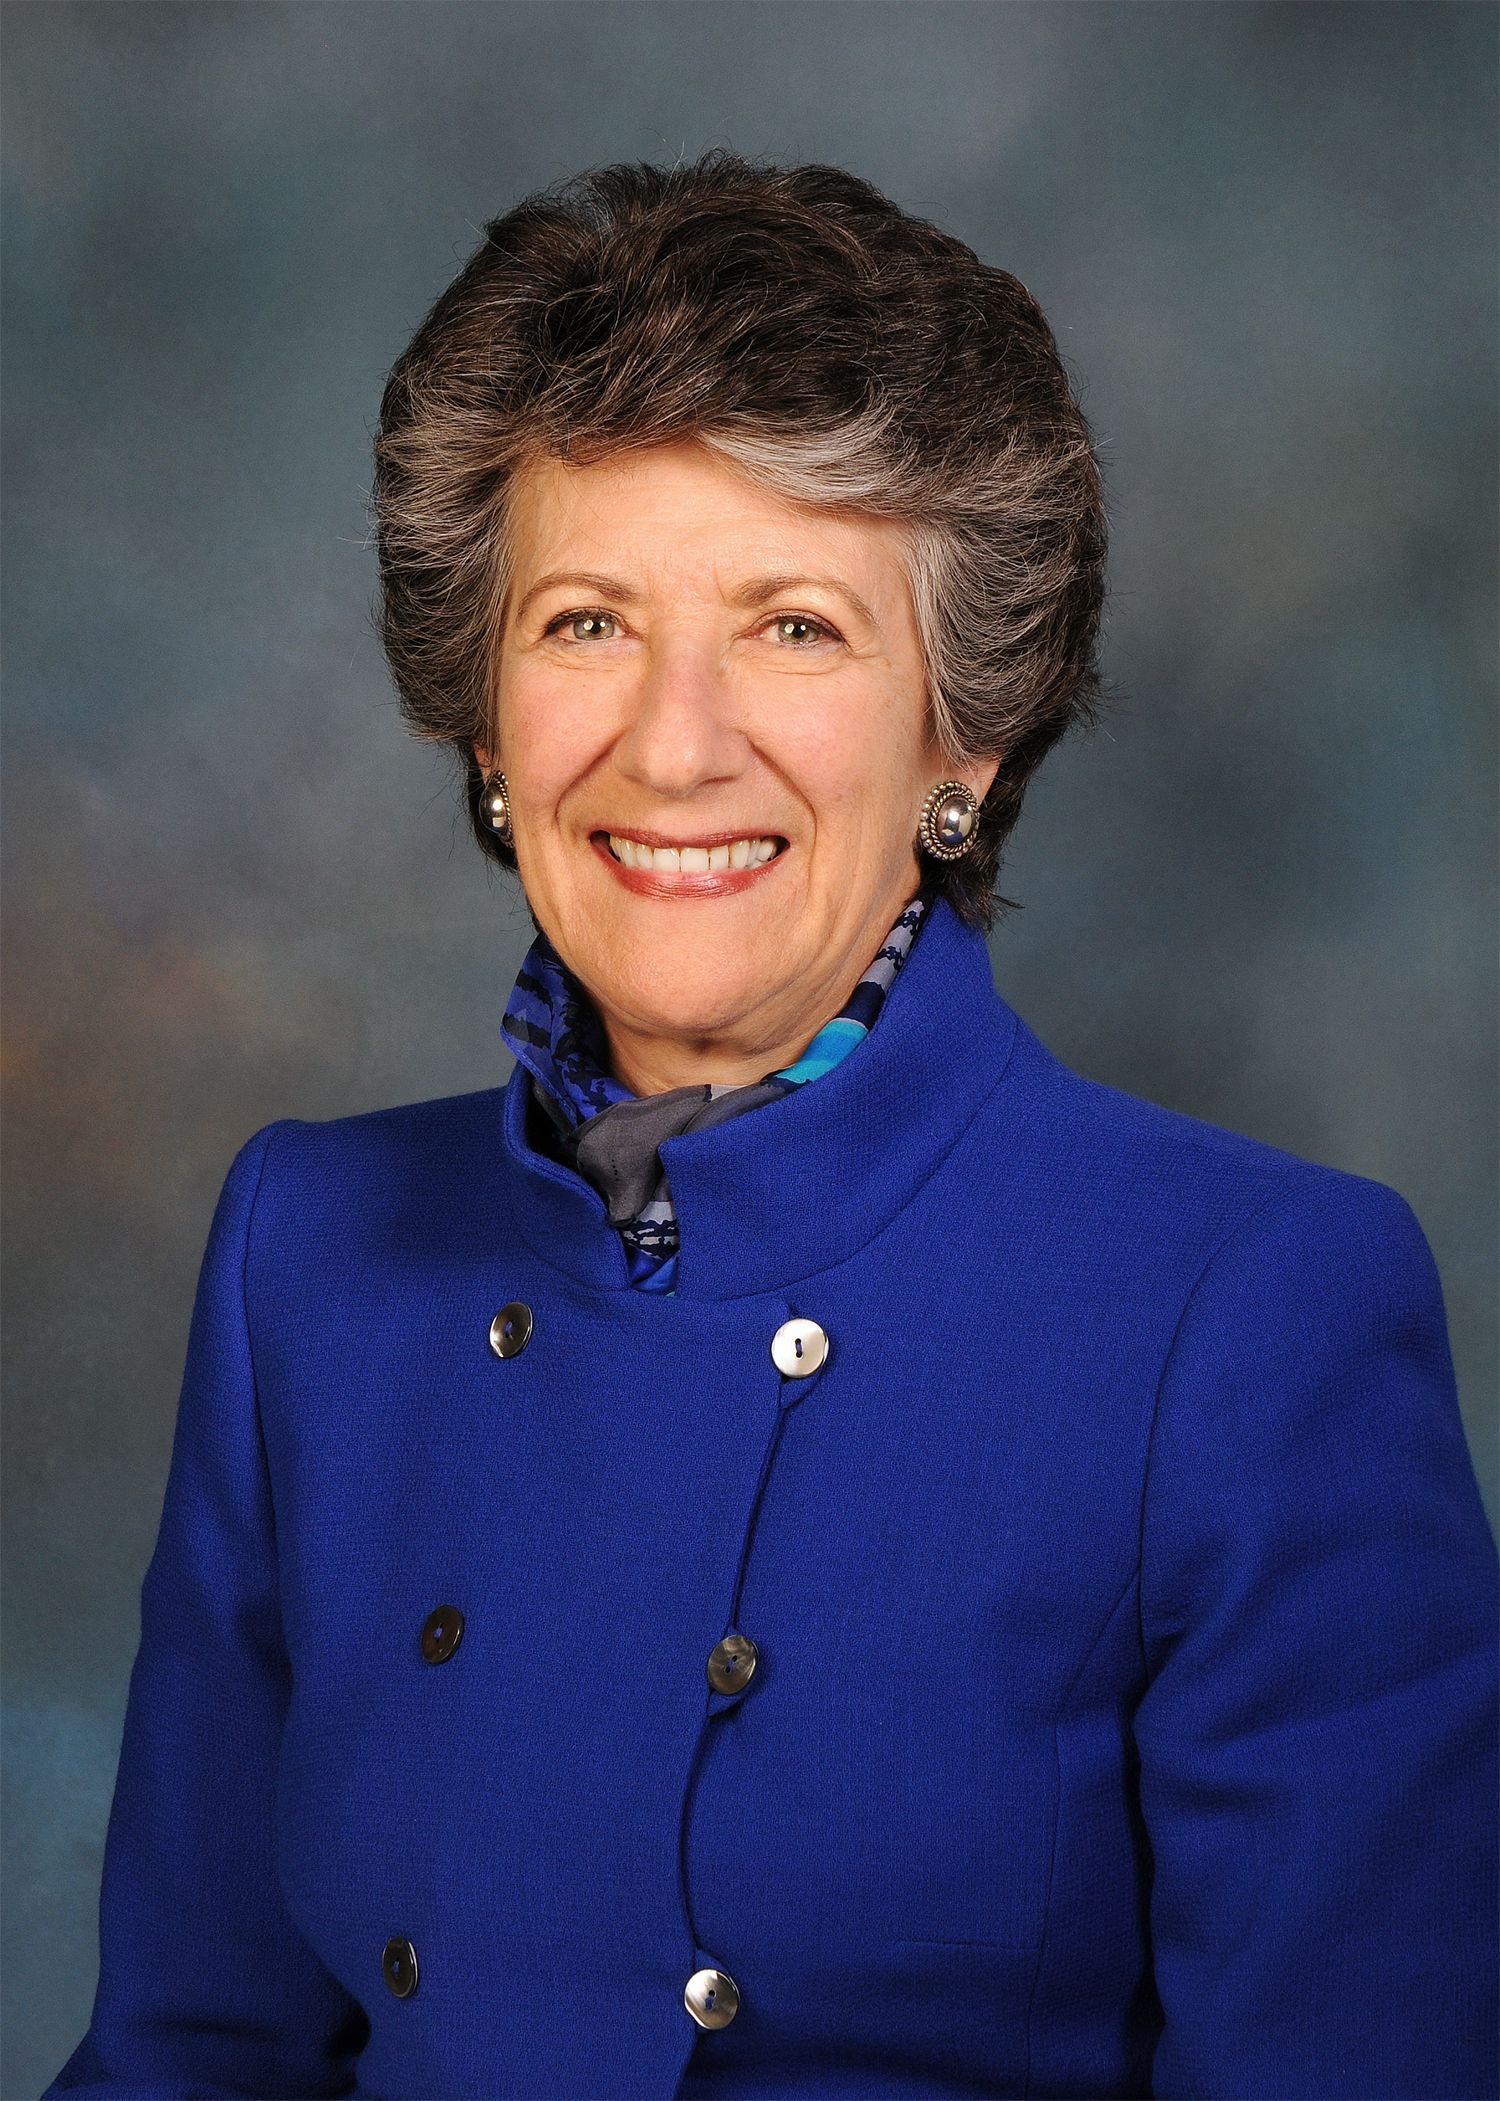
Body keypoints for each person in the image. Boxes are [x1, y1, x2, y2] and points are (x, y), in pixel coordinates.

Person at [44, 150, 1497, 2101]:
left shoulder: (1247, 1312)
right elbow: (185, 2055)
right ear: (484, 724)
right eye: (586, 623)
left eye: (795, 626)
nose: (672, 742)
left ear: (964, 731)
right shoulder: (309, 1252)